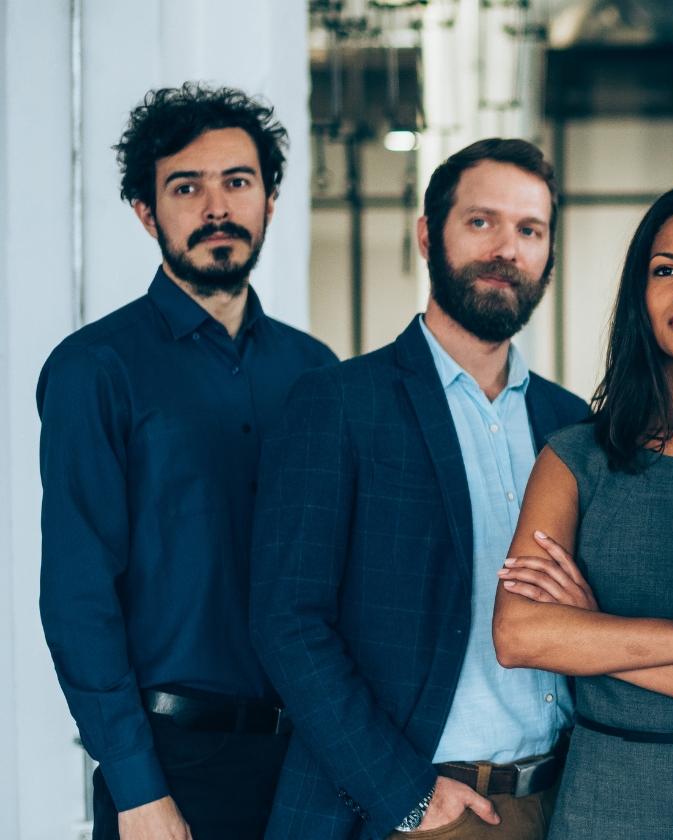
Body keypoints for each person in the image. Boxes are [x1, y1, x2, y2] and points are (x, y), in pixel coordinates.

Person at [250, 138, 589, 839]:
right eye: (481, 222)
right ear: (427, 236)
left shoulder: (572, 424)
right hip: (416, 808)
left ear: (549, 256)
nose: (506, 248)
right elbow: (287, 621)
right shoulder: (339, 404)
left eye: (530, 230)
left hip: (562, 800)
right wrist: (406, 795)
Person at [37, 83, 337, 840]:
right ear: (147, 213)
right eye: (185, 187)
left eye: (238, 182)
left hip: (309, 761)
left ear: (270, 200)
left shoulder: (318, 375)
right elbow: (78, 597)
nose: (216, 207)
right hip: (171, 762)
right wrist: (137, 788)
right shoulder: (97, 369)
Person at [491, 183, 673, 838]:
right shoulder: (575, 456)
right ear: (641, 295)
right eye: (666, 270)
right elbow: (520, 637)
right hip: (605, 797)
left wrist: (592, 634)